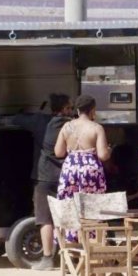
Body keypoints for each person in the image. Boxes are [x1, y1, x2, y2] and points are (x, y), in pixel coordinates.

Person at [54, 94, 110, 241]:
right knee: (92, 207)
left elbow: (59, 152)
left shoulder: (67, 126)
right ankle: (91, 240)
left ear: (78, 110)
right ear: (92, 110)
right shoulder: (97, 128)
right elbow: (103, 155)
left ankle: (70, 239)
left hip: (70, 168)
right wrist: (109, 150)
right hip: (90, 169)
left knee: (69, 204)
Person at [29, 94, 73, 271]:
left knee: (45, 219)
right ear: (64, 109)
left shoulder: (40, 122)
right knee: (68, 218)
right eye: (69, 108)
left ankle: (47, 259)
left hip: (45, 176)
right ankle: (69, 258)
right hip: (66, 176)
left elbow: (18, 120)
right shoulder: (72, 126)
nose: (71, 111)